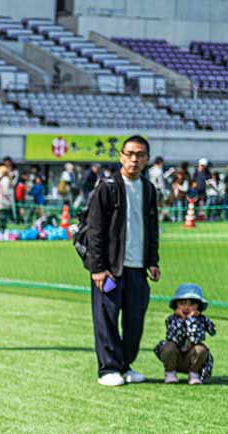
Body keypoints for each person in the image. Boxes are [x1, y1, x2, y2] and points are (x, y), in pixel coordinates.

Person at [82, 135, 161, 387]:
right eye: (129, 154)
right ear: (121, 157)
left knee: (134, 320)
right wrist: (98, 268)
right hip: (110, 269)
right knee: (107, 317)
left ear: (147, 159)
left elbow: (152, 226)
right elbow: (94, 230)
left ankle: (125, 365)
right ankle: (108, 369)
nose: (134, 159)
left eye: (139, 155)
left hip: (138, 269)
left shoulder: (148, 189)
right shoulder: (107, 187)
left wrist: (153, 260)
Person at [155, 284, 215, 385]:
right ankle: (170, 373)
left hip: (191, 358)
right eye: (183, 303)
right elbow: (174, 337)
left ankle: (194, 374)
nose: (187, 307)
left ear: (198, 306)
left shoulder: (201, 319)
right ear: (176, 305)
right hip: (175, 357)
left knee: (201, 349)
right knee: (168, 347)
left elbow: (205, 334)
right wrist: (182, 320)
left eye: (192, 304)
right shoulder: (171, 319)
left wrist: (192, 320)